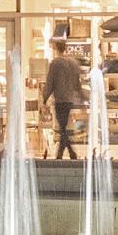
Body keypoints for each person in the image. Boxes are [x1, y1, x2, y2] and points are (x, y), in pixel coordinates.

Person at [41, 34, 84, 163]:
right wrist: (81, 98)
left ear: (56, 48)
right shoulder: (73, 63)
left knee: (63, 127)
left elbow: (50, 83)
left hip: (60, 99)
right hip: (69, 99)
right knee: (63, 126)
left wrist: (44, 99)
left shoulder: (55, 63)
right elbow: (77, 83)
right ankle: (64, 153)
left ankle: (70, 153)